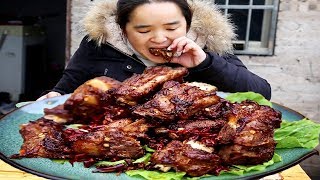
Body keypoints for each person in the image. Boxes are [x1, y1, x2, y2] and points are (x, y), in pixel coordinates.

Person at [37, 0, 271, 101]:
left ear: (187, 24)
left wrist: (205, 63)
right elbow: (67, 87)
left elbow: (262, 93)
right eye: (143, 30)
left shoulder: (207, 44)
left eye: (172, 27)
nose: (159, 38)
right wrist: (55, 97)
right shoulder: (99, 44)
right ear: (123, 29)